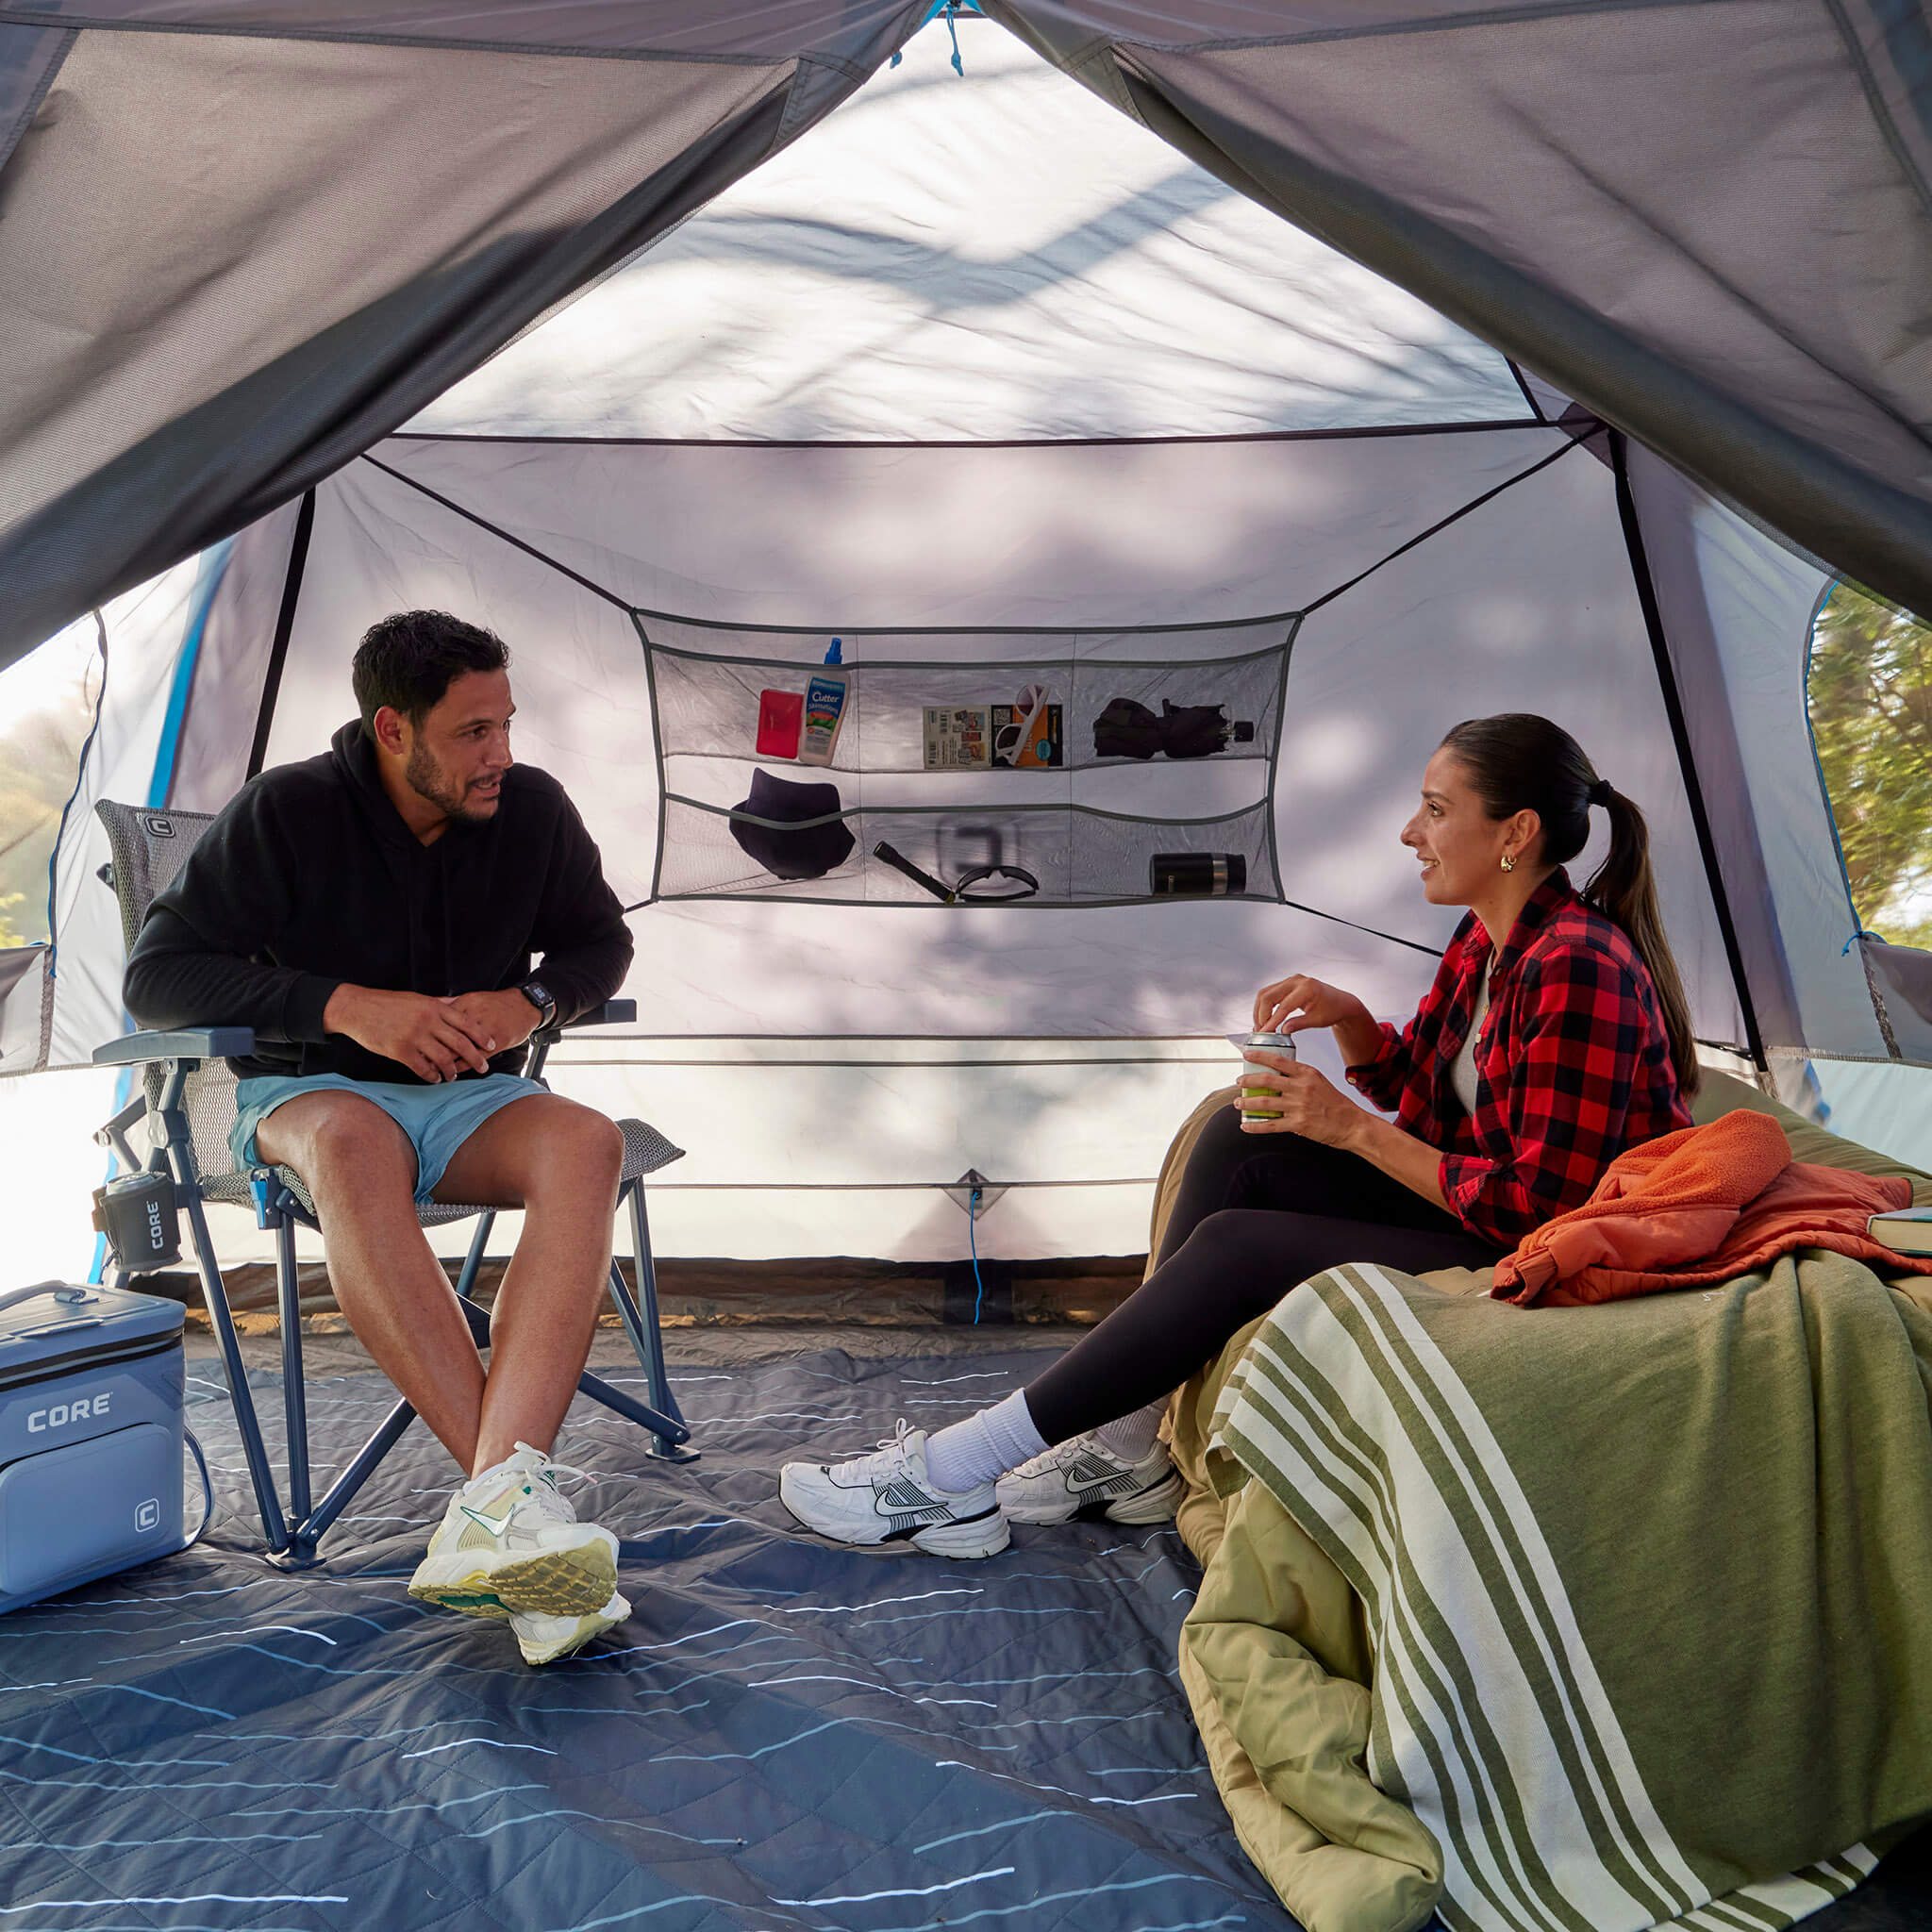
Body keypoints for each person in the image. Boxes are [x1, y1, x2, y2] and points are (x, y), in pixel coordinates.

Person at [780, 713, 1697, 1558]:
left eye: (1434, 809)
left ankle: (953, 1470)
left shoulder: (1573, 964)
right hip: (1490, 1210)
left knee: (1237, 1243)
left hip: (1548, 1251)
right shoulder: (1487, 940)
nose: (1408, 832)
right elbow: (1416, 1091)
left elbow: (1538, 1207)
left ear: (1515, 832)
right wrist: (1349, 1019)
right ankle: (1127, 1449)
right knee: (1237, 1130)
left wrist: (1348, 1129)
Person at [124, 610, 637, 1662]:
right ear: (393, 730)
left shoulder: (533, 810)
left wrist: (533, 1001)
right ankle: (514, 1509)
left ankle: (497, 1515)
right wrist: (344, 1005)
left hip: (467, 1097)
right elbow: (157, 977)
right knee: (354, 1142)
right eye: (473, 732)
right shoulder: (287, 811)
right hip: (310, 1096)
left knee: (588, 1141)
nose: (500, 753)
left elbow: (600, 941)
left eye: (506, 723)